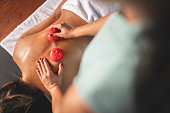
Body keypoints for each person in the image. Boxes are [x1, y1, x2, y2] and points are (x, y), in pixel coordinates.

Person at [35, 0, 170, 113]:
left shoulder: (104, 80)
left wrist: (53, 87)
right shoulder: (144, 10)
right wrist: (74, 32)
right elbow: (118, 18)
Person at [0, 0, 116, 112]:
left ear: (27, 108)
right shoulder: (18, 50)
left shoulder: (63, 92)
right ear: (7, 84)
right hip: (77, 4)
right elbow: (55, 15)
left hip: (103, 18)